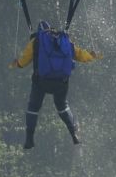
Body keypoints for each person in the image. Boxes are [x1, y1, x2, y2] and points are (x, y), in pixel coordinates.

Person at [13, 20, 99, 148]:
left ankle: (29, 139)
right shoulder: (62, 39)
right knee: (62, 106)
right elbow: (80, 55)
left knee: (33, 107)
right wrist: (91, 56)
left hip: (42, 82)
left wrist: (17, 63)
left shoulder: (36, 41)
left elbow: (23, 62)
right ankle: (74, 134)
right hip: (61, 82)